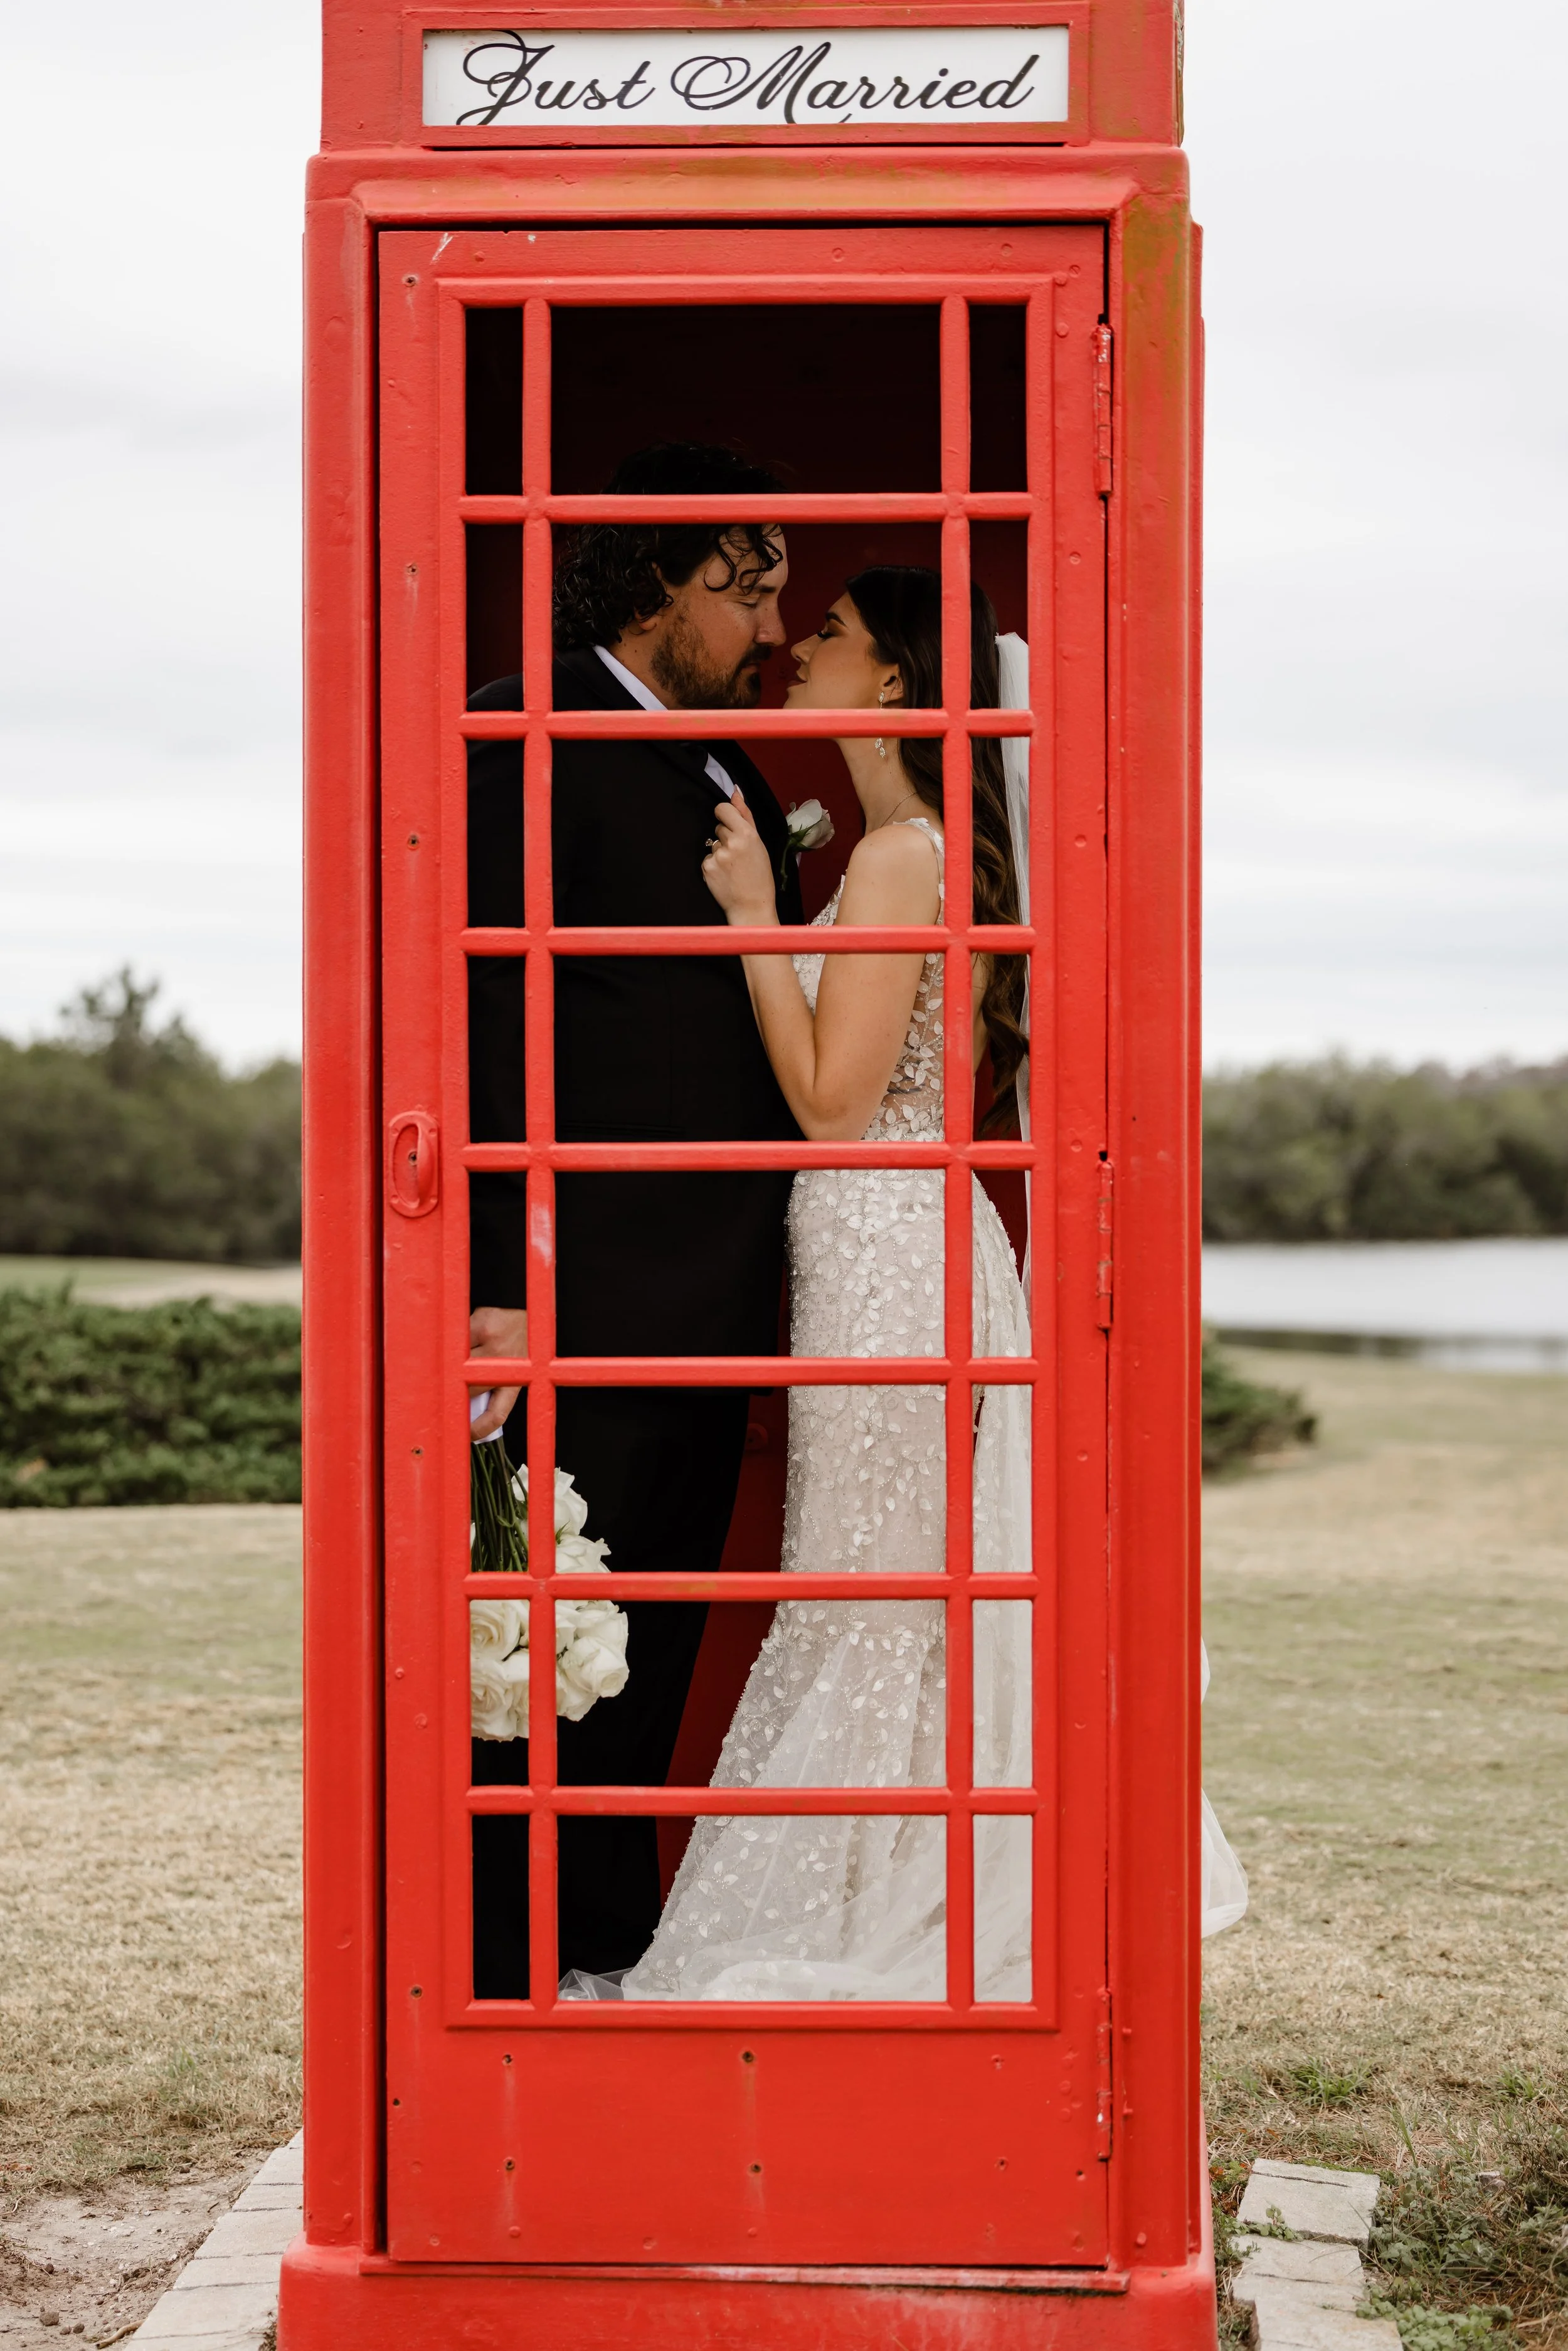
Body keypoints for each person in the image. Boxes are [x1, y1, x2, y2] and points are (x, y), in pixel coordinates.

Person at [464, 442, 804, 1997]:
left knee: (651, 1617)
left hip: (710, 1282)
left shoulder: (718, 760)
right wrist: (489, 1279)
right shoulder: (536, 733)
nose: (774, 622)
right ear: (657, 583)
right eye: (745, 586)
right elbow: (469, 1011)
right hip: (583, 1282)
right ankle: (520, 1951)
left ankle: (606, 1939)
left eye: (786, 588)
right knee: (560, 1637)